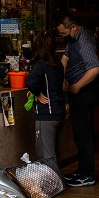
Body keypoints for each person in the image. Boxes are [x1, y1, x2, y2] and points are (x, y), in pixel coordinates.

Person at [58, 14, 99, 187]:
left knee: (83, 134)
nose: (63, 36)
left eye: (64, 32)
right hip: (76, 91)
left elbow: (95, 69)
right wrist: (62, 77)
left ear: (73, 27)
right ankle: (81, 170)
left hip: (84, 92)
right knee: (78, 133)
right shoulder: (73, 40)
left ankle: (87, 175)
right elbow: (65, 59)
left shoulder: (84, 42)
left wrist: (77, 86)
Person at [25, 32, 67, 177]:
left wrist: (36, 93)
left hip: (47, 115)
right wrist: (37, 92)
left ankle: (52, 185)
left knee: (46, 154)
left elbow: (30, 82)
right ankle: (55, 181)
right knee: (54, 150)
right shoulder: (58, 65)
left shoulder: (41, 65)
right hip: (59, 113)